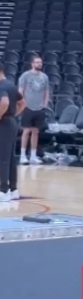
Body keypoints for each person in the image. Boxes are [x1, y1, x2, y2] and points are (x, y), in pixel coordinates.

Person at [18, 55, 49, 165]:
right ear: (32, 64)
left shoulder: (44, 77)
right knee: (26, 131)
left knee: (36, 132)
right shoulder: (25, 76)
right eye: (37, 62)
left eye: (40, 62)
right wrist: (22, 104)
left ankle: (33, 156)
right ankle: (22, 155)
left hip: (39, 108)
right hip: (28, 107)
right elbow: (20, 91)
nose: (39, 64)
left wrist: (45, 105)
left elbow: (46, 92)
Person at [0, 63, 25, 202]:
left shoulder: (1, 86)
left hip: (4, 123)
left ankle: (3, 191)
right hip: (11, 122)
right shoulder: (11, 85)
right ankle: (13, 189)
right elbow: (23, 103)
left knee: (2, 157)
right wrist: (14, 115)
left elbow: (4, 102)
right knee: (10, 157)